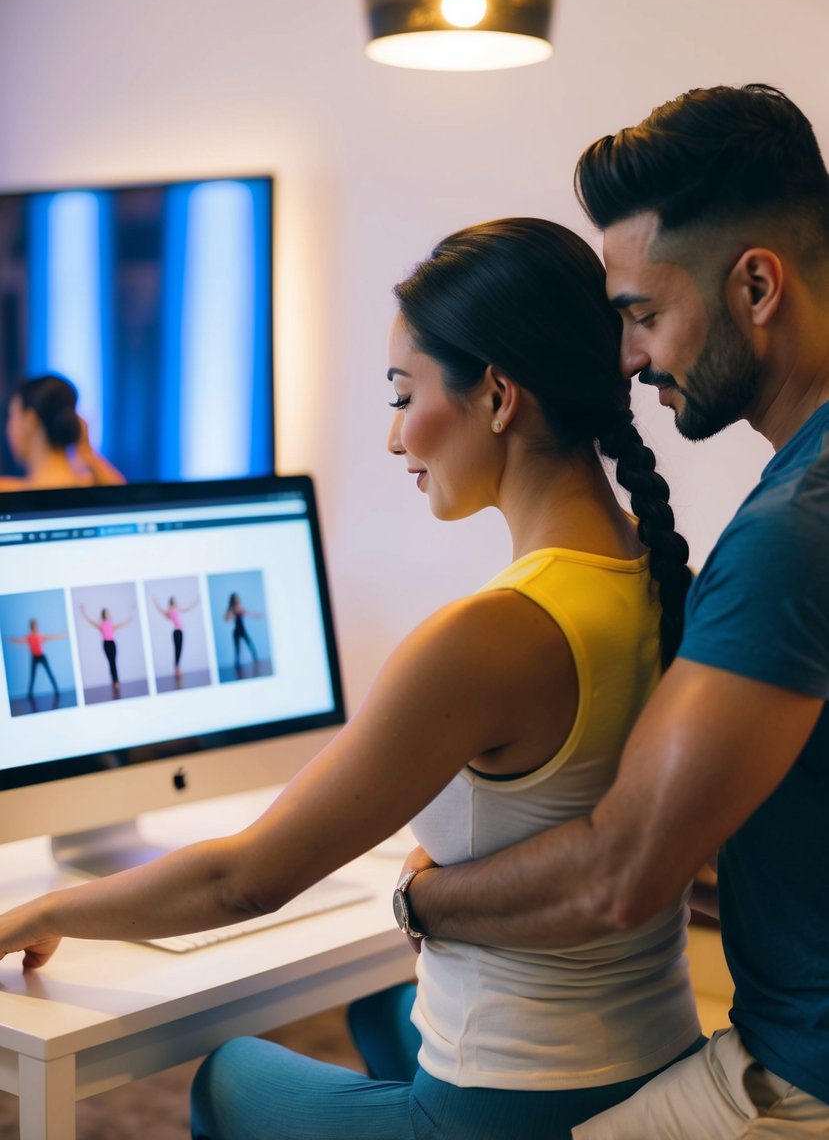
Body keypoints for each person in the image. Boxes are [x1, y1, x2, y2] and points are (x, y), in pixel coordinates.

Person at [0, 219, 703, 1140]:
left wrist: (39, 911)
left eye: (402, 394)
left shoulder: (492, 633)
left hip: (516, 1107)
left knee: (227, 1076)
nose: (391, 437)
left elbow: (244, 882)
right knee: (380, 1006)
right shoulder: (662, 576)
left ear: (496, 395)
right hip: (646, 1056)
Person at [397, 86, 829, 1137]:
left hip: (798, 1081)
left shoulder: (787, 533)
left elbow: (620, 874)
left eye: (639, 312)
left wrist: (422, 901)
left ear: (755, 284)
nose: (628, 359)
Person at [1, 373, 125, 491]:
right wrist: (87, 453)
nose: (8, 429)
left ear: (29, 420)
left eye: (11, 416)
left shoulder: (10, 495)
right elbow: (123, 494)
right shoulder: (91, 485)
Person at [79, 604, 134, 694]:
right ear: (103, 615)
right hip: (106, 644)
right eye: (106, 613)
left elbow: (120, 625)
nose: (108, 614)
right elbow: (90, 621)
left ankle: (116, 681)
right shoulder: (101, 625)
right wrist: (83, 612)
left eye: (108, 613)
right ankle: (114, 681)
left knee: (114, 662)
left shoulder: (110, 624)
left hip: (112, 644)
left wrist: (129, 619)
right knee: (111, 663)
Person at [5, 618, 64, 698]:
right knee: (32, 676)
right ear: (31, 626)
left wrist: (60, 635)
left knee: (49, 673)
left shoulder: (40, 635)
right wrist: (12, 639)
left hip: (42, 657)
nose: (35, 626)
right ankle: (30, 694)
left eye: (36, 625)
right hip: (34, 658)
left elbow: (50, 637)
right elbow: (20, 640)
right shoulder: (29, 636)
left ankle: (57, 691)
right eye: (34, 625)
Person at [152, 594, 199, 679]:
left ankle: (178, 669)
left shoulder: (177, 609)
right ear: (172, 602)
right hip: (176, 632)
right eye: (174, 600)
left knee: (179, 650)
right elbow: (159, 608)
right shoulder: (169, 611)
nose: (175, 602)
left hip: (180, 632)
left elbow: (186, 609)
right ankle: (177, 670)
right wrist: (154, 599)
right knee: (177, 651)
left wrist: (195, 603)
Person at [224, 592, 261, 671]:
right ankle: (237, 666)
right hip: (236, 632)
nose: (237, 600)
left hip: (243, 631)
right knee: (237, 650)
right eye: (236, 599)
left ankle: (256, 661)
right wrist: (231, 612)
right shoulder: (232, 609)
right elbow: (227, 619)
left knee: (251, 645)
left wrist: (258, 615)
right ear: (233, 600)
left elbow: (249, 613)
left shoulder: (240, 608)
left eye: (238, 598)